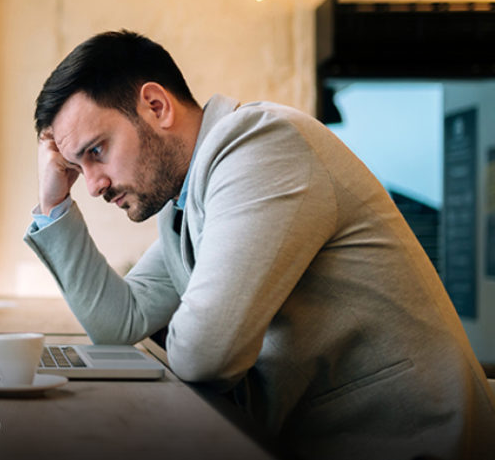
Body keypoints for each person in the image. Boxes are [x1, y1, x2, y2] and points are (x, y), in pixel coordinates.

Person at [24, 30, 495, 459]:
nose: (93, 184)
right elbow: (121, 322)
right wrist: (53, 204)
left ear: (156, 106)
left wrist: (192, 322)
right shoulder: (183, 202)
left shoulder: (262, 145)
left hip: (410, 441)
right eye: (76, 166)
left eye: (97, 152)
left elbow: (206, 353)